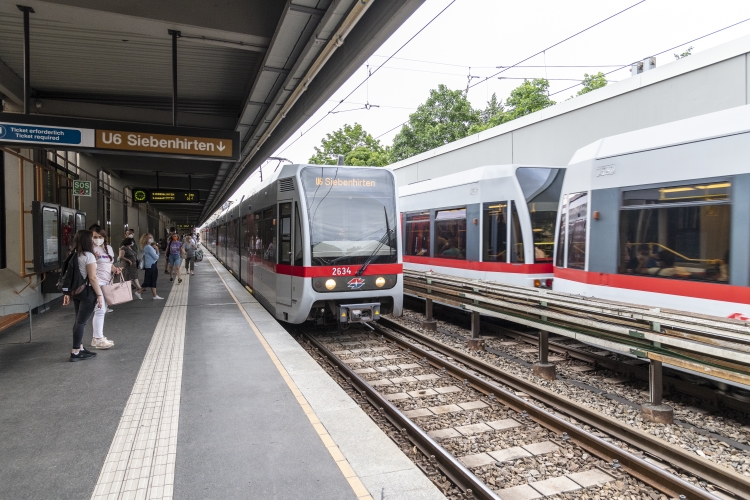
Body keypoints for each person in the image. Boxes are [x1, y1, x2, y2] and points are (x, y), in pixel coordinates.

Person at [63, 230, 104, 361]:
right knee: (81, 322)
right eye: (92, 238)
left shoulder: (74, 254)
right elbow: (92, 277)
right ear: (87, 240)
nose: (94, 240)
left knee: (78, 320)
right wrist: (99, 295)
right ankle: (75, 351)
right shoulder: (88, 255)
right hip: (87, 291)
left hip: (77, 291)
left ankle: (80, 348)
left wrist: (67, 293)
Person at [89, 225, 120, 348]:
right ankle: (97, 338)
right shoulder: (89, 249)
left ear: (104, 237)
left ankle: (97, 336)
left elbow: (110, 264)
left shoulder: (108, 248)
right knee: (100, 310)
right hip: (96, 282)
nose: (97, 239)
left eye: (100, 237)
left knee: (102, 310)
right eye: (94, 237)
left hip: (107, 282)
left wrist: (115, 270)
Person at [141, 233, 163, 300]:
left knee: (151, 280)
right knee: (150, 280)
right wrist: (157, 250)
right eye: (149, 237)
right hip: (151, 265)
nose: (151, 239)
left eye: (151, 237)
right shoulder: (148, 247)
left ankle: (154, 295)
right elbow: (156, 257)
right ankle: (139, 292)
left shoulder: (147, 246)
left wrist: (156, 251)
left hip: (150, 265)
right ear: (146, 239)